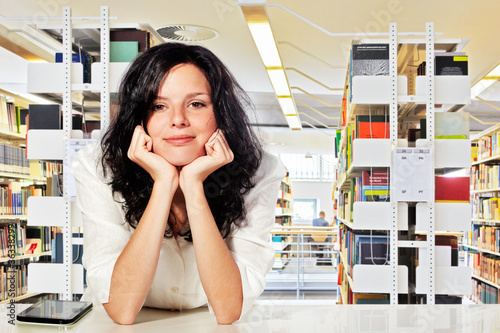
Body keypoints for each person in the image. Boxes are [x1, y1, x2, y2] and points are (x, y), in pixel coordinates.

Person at [71, 42, 286, 325]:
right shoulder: (99, 167)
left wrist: (194, 186)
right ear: (139, 117)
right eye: (158, 106)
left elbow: (228, 309)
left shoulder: (259, 170)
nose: (178, 120)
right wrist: (164, 184)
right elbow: (122, 309)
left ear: (221, 111)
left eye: (196, 104)